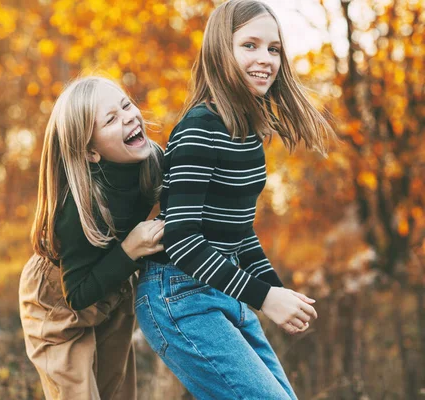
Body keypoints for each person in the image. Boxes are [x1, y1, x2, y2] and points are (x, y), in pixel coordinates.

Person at [136, 1, 335, 399]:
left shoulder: (247, 135)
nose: (265, 59)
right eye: (250, 46)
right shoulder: (199, 129)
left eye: (273, 49)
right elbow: (183, 239)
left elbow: (239, 234)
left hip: (223, 285)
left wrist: (278, 292)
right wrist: (266, 297)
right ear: (220, 51)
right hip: (178, 295)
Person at [19, 76, 164, 400]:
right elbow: (78, 294)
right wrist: (131, 249)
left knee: (116, 391)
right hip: (58, 299)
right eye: (111, 119)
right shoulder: (78, 208)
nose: (127, 116)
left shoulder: (151, 161)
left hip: (112, 282)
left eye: (126, 105)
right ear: (91, 152)